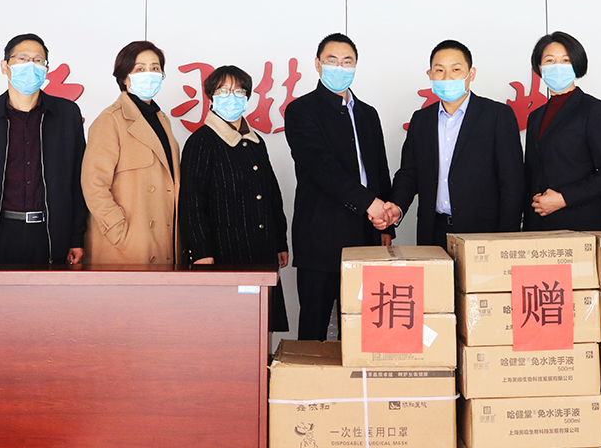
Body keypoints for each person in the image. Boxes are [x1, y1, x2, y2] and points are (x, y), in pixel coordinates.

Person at [284, 33, 395, 341]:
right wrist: (371, 204)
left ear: (356, 66)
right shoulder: (300, 110)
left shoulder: (368, 114)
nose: (339, 67)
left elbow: (379, 170)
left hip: (367, 235)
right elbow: (322, 168)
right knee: (314, 330)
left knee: (363, 329)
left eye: (347, 62)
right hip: (320, 237)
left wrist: (386, 225)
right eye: (332, 61)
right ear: (317, 64)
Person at [0, 33, 88, 265]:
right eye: (23, 59)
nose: (31, 66)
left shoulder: (66, 115)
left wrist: (77, 238)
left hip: (51, 235)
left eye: (38, 61)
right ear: (4, 66)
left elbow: (78, 180)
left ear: (46, 69)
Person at [179, 65, 290, 331]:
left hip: (261, 249)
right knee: (229, 327)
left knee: (260, 326)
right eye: (224, 91)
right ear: (211, 97)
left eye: (239, 91)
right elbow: (192, 203)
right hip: (224, 253)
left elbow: (271, 194)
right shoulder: (201, 141)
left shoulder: (255, 141)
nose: (233, 97)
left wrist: (279, 242)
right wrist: (201, 253)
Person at [384, 39, 524, 248]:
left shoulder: (497, 116)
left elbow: (512, 183)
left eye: (456, 69)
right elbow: (409, 173)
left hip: (483, 235)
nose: (447, 77)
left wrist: (506, 239)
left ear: (471, 74)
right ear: (430, 75)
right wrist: (397, 207)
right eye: (439, 70)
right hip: (433, 231)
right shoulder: (421, 120)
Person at [82, 41, 181, 265]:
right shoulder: (111, 119)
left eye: (155, 68)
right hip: (127, 243)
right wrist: (118, 230)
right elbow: (93, 184)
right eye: (140, 69)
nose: (149, 74)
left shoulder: (162, 120)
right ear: (125, 77)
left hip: (162, 238)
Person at [523, 31, 601, 231]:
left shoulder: (593, 109)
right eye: (549, 60)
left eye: (565, 60)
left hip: (579, 224)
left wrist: (564, 198)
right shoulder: (535, 115)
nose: (557, 66)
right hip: (538, 225)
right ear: (539, 67)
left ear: (576, 64)